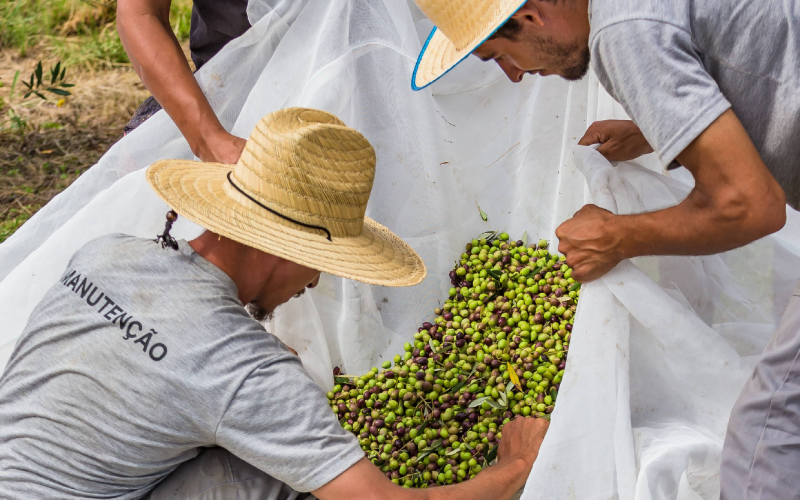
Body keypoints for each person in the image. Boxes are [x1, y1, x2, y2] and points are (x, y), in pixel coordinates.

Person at [0, 107, 549, 500]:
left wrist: (235, 381)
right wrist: (514, 467)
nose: (312, 284)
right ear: (285, 250)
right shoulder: (244, 371)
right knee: (280, 477)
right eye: (321, 264)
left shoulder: (104, 255)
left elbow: (150, 360)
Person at [411, 0, 798, 498]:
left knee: (766, 441)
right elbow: (758, 63)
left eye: (498, 56)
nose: (512, 76)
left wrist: (617, 236)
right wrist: (658, 130)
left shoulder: (622, 31)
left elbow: (750, 205)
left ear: (530, 18)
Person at [117, 0, 256, 162]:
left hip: (288, 111)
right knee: (140, 158)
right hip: (227, 95)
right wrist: (208, 139)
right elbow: (140, 13)